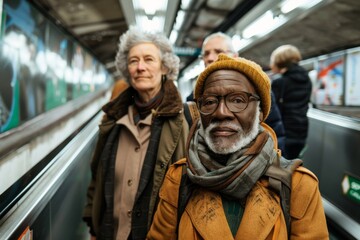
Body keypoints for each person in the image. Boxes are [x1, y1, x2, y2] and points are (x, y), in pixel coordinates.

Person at [147, 54, 328, 239]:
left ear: (259, 113)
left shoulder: (297, 185)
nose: (221, 112)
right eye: (209, 102)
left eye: (238, 100)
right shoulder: (179, 179)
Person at [82, 26, 190, 240]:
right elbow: (98, 177)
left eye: (149, 59)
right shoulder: (112, 119)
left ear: (164, 67)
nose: (140, 67)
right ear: (126, 69)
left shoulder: (185, 120)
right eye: (133, 61)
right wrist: (93, 227)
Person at [186, 32, 285, 153]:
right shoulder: (192, 100)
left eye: (218, 51)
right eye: (206, 54)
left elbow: (275, 131)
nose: (210, 58)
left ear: (235, 56)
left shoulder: (259, 91)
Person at [270, 45, 312, 159]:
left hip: (284, 133)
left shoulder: (280, 82)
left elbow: (272, 109)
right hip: (301, 131)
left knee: (280, 166)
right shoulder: (307, 80)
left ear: (280, 62)